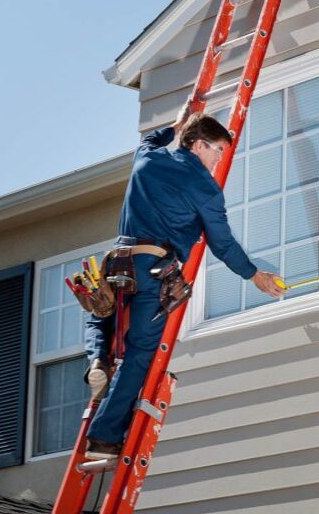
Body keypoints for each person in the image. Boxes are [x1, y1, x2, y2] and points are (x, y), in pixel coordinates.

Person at [84, 107, 285, 460]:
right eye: (218, 150)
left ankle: (97, 360)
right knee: (140, 352)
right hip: (152, 269)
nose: (220, 160)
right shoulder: (203, 187)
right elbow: (222, 243)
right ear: (198, 145)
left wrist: (175, 125)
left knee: (100, 314)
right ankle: (104, 437)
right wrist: (254, 274)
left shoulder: (147, 157)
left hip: (118, 261)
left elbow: (151, 138)